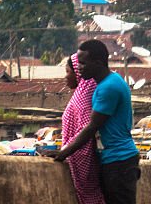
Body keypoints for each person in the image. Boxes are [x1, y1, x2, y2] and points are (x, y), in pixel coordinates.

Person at [56, 40, 140, 204]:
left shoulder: (108, 88)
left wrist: (63, 153)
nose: (79, 67)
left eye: (83, 63)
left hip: (119, 161)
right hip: (116, 160)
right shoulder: (108, 82)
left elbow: (91, 127)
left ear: (98, 63)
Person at [61, 53, 106, 204]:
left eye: (68, 72)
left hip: (85, 162)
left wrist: (66, 153)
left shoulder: (83, 97)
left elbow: (86, 130)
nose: (65, 77)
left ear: (77, 74)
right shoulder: (81, 93)